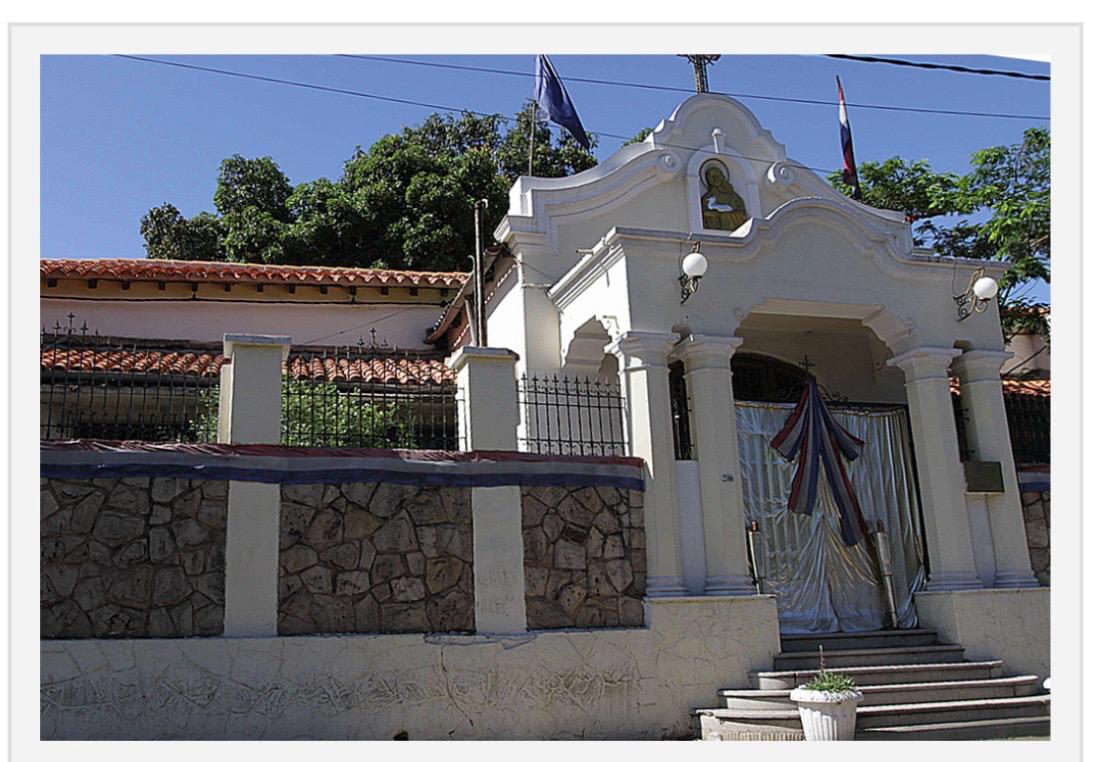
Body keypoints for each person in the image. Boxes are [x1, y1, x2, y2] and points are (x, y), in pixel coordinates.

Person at [701, 166, 748, 231]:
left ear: (722, 177)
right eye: (712, 178)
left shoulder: (734, 197)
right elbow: (705, 214)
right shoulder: (708, 198)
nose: (715, 179)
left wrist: (720, 215)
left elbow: (741, 214)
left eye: (717, 176)